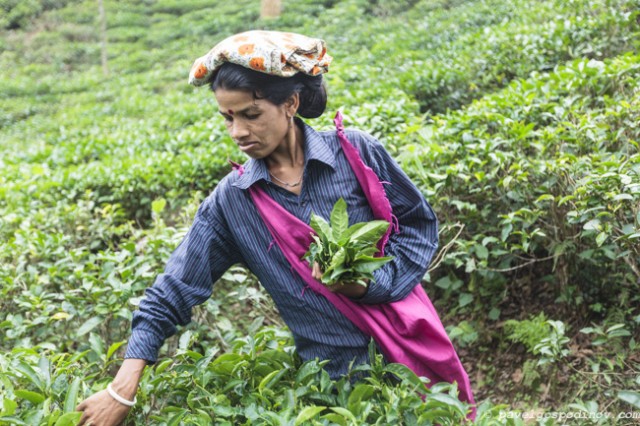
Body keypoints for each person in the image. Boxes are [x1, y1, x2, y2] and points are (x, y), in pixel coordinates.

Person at [77, 30, 474, 425]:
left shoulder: (355, 152)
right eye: (228, 118)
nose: (238, 132)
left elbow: (418, 226)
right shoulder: (233, 201)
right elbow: (173, 290)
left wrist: (371, 285)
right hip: (332, 385)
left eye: (251, 115)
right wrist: (123, 386)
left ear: (290, 103)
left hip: (410, 355)